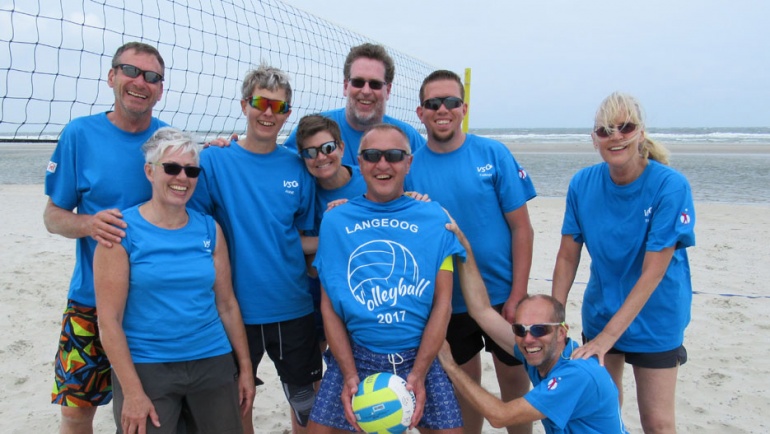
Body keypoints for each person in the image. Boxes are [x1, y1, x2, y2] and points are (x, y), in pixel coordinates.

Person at [93, 127, 255, 433]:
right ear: (150, 171)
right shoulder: (120, 231)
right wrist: (132, 391)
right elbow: (109, 321)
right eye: (172, 168)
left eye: (191, 170)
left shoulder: (209, 229)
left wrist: (245, 369)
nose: (182, 177)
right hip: (148, 363)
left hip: (212, 359)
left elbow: (227, 305)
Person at [188, 64, 322, 434]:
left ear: (287, 115)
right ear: (245, 104)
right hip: (234, 308)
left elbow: (303, 239)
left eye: (278, 107)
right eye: (261, 103)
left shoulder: (298, 168)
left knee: (306, 405)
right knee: (238, 402)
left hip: (292, 307)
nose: (268, 113)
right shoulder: (214, 160)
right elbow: (193, 229)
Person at [551, 92, 695, 434]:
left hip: (656, 316)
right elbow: (567, 256)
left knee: (657, 423)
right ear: (594, 139)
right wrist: (554, 317)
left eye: (624, 127)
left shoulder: (669, 186)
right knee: (603, 414)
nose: (615, 136)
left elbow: (653, 272)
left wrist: (605, 340)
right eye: (604, 130)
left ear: (640, 133)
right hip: (601, 309)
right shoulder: (582, 183)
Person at [43, 41, 168, 434]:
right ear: (112, 76)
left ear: (160, 89)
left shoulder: (167, 140)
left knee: (149, 412)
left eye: (152, 77)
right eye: (131, 71)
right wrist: (89, 224)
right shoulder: (80, 134)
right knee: (77, 410)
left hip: (153, 305)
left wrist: (220, 148)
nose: (140, 82)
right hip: (90, 302)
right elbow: (52, 216)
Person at [309, 124, 465, 433]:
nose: (383, 164)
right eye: (372, 155)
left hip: (420, 353)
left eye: (394, 155)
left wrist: (419, 373)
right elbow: (329, 308)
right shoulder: (336, 220)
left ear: (408, 162)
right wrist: (349, 374)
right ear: (360, 162)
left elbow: (442, 305)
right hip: (357, 352)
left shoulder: (435, 218)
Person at [406, 69, 536, 434]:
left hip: (500, 297)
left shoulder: (492, 153)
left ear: (463, 107)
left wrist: (517, 294)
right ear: (421, 112)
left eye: (450, 101)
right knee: (467, 390)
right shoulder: (410, 166)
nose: (442, 109)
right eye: (433, 103)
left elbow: (522, 228)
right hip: (450, 303)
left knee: (515, 388)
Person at [438, 221, 628, 433]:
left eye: (540, 329)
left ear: (561, 332)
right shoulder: (543, 352)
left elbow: (500, 416)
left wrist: (450, 365)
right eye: (520, 329)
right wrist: (463, 245)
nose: (528, 339)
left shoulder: (576, 374)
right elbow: (481, 310)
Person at [283, 43, 426, 165]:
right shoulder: (314, 130)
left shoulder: (407, 137)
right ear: (346, 86)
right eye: (358, 82)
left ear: (387, 90)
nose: (366, 91)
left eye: (375, 84)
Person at [295, 114, 367, 350]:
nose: (321, 157)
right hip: (318, 285)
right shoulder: (302, 188)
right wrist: (339, 234)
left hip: (364, 282)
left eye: (328, 147)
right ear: (303, 157)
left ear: (342, 147)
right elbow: (295, 243)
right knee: (316, 362)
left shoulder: (369, 177)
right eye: (311, 152)